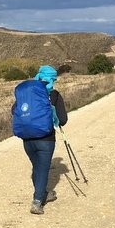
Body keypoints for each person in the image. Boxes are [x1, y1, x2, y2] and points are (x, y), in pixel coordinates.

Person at [14, 65, 68, 215]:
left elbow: (14, 110)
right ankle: (37, 202)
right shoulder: (53, 94)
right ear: (53, 78)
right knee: (43, 169)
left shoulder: (28, 93)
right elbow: (63, 120)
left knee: (37, 167)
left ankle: (43, 193)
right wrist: (53, 118)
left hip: (27, 138)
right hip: (46, 138)